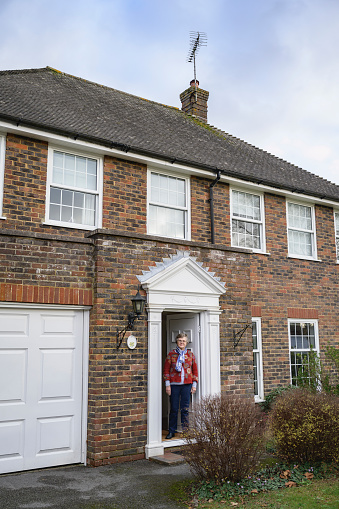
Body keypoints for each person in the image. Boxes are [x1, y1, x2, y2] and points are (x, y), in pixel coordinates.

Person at [163, 332, 198, 439]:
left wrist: (194, 384)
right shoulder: (171, 355)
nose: (181, 342)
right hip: (174, 385)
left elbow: (195, 370)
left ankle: (186, 431)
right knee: (173, 409)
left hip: (187, 385)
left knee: (185, 409)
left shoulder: (190, 355)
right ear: (176, 342)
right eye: (180, 340)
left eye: (183, 341)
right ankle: (171, 431)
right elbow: (166, 371)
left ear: (186, 342)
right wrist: (167, 385)